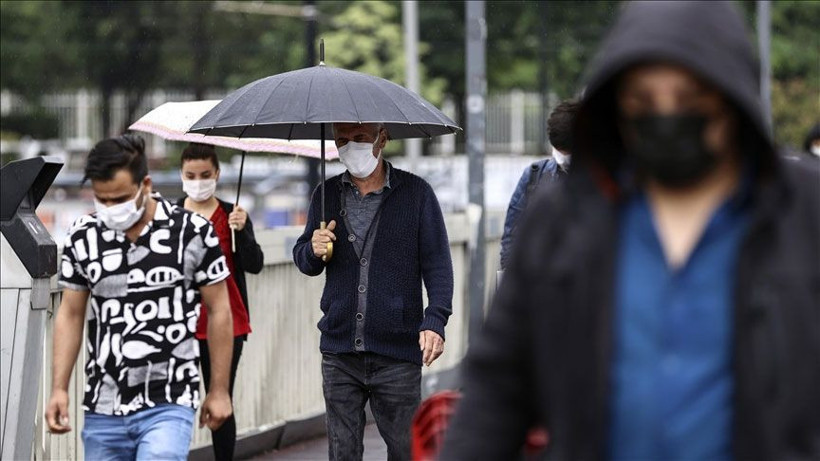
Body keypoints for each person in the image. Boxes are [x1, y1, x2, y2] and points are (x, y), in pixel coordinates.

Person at [441, 2, 819, 460]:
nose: (667, 117)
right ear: (617, 107)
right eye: (643, 101)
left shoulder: (804, 212)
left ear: (733, 100)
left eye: (689, 101)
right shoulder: (562, 221)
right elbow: (495, 390)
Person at [45, 134, 235, 460]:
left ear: (145, 184)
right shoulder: (83, 236)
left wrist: (219, 390)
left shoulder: (192, 232)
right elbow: (71, 314)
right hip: (103, 402)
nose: (109, 208)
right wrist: (59, 388)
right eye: (101, 199)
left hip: (170, 397)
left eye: (119, 198)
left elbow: (219, 309)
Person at [293, 122, 454, 461]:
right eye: (342, 140)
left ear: (383, 138)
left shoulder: (417, 194)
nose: (351, 146)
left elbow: (438, 265)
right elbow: (306, 261)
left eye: (360, 138)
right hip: (339, 350)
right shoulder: (325, 194)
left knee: (406, 450)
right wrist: (313, 249)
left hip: (397, 351)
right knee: (343, 452)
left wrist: (435, 320)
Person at [177, 143, 264, 461]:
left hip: (227, 320)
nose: (198, 182)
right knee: (175, 401)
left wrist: (242, 232)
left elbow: (255, 263)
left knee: (220, 397)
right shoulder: (171, 216)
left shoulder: (233, 215)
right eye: (190, 175)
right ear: (181, 175)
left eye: (205, 175)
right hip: (179, 320)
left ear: (217, 173)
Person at [499, 99, 579, 269]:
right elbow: (512, 234)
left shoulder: (604, 182)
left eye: (569, 153)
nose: (562, 158)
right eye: (559, 151)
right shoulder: (534, 176)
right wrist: (508, 272)